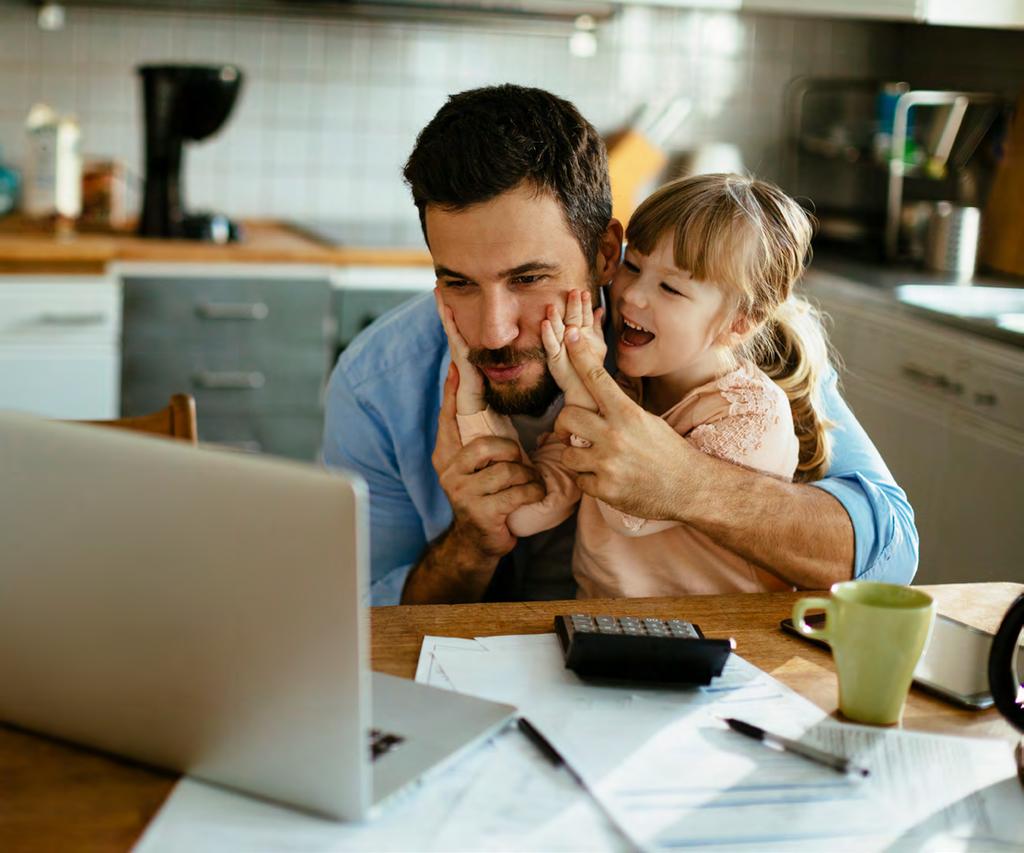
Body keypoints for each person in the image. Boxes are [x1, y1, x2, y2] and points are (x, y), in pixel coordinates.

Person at [322, 84, 918, 606]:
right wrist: (473, 541)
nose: (494, 332)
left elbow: (888, 553)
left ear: (608, 254)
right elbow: (361, 622)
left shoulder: (715, 344)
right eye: (458, 282)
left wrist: (687, 483)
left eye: (530, 279)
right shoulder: (379, 383)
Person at [444, 173, 830, 597]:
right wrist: (473, 404)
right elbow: (526, 515)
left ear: (740, 323)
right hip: (607, 631)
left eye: (670, 287)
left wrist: (579, 385)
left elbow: (630, 510)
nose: (632, 296)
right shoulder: (626, 389)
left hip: (720, 641)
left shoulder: (752, 415)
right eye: (633, 266)